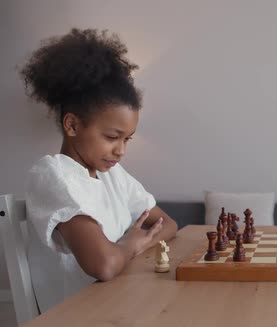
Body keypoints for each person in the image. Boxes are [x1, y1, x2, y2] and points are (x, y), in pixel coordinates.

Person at [21, 28, 178, 312]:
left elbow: (167, 224)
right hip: (76, 318)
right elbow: (104, 265)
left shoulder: (112, 174)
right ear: (72, 125)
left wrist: (127, 248)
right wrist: (130, 244)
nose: (121, 150)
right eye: (112, 137)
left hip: (117, 303)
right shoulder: (54, 175)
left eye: (127, 139)